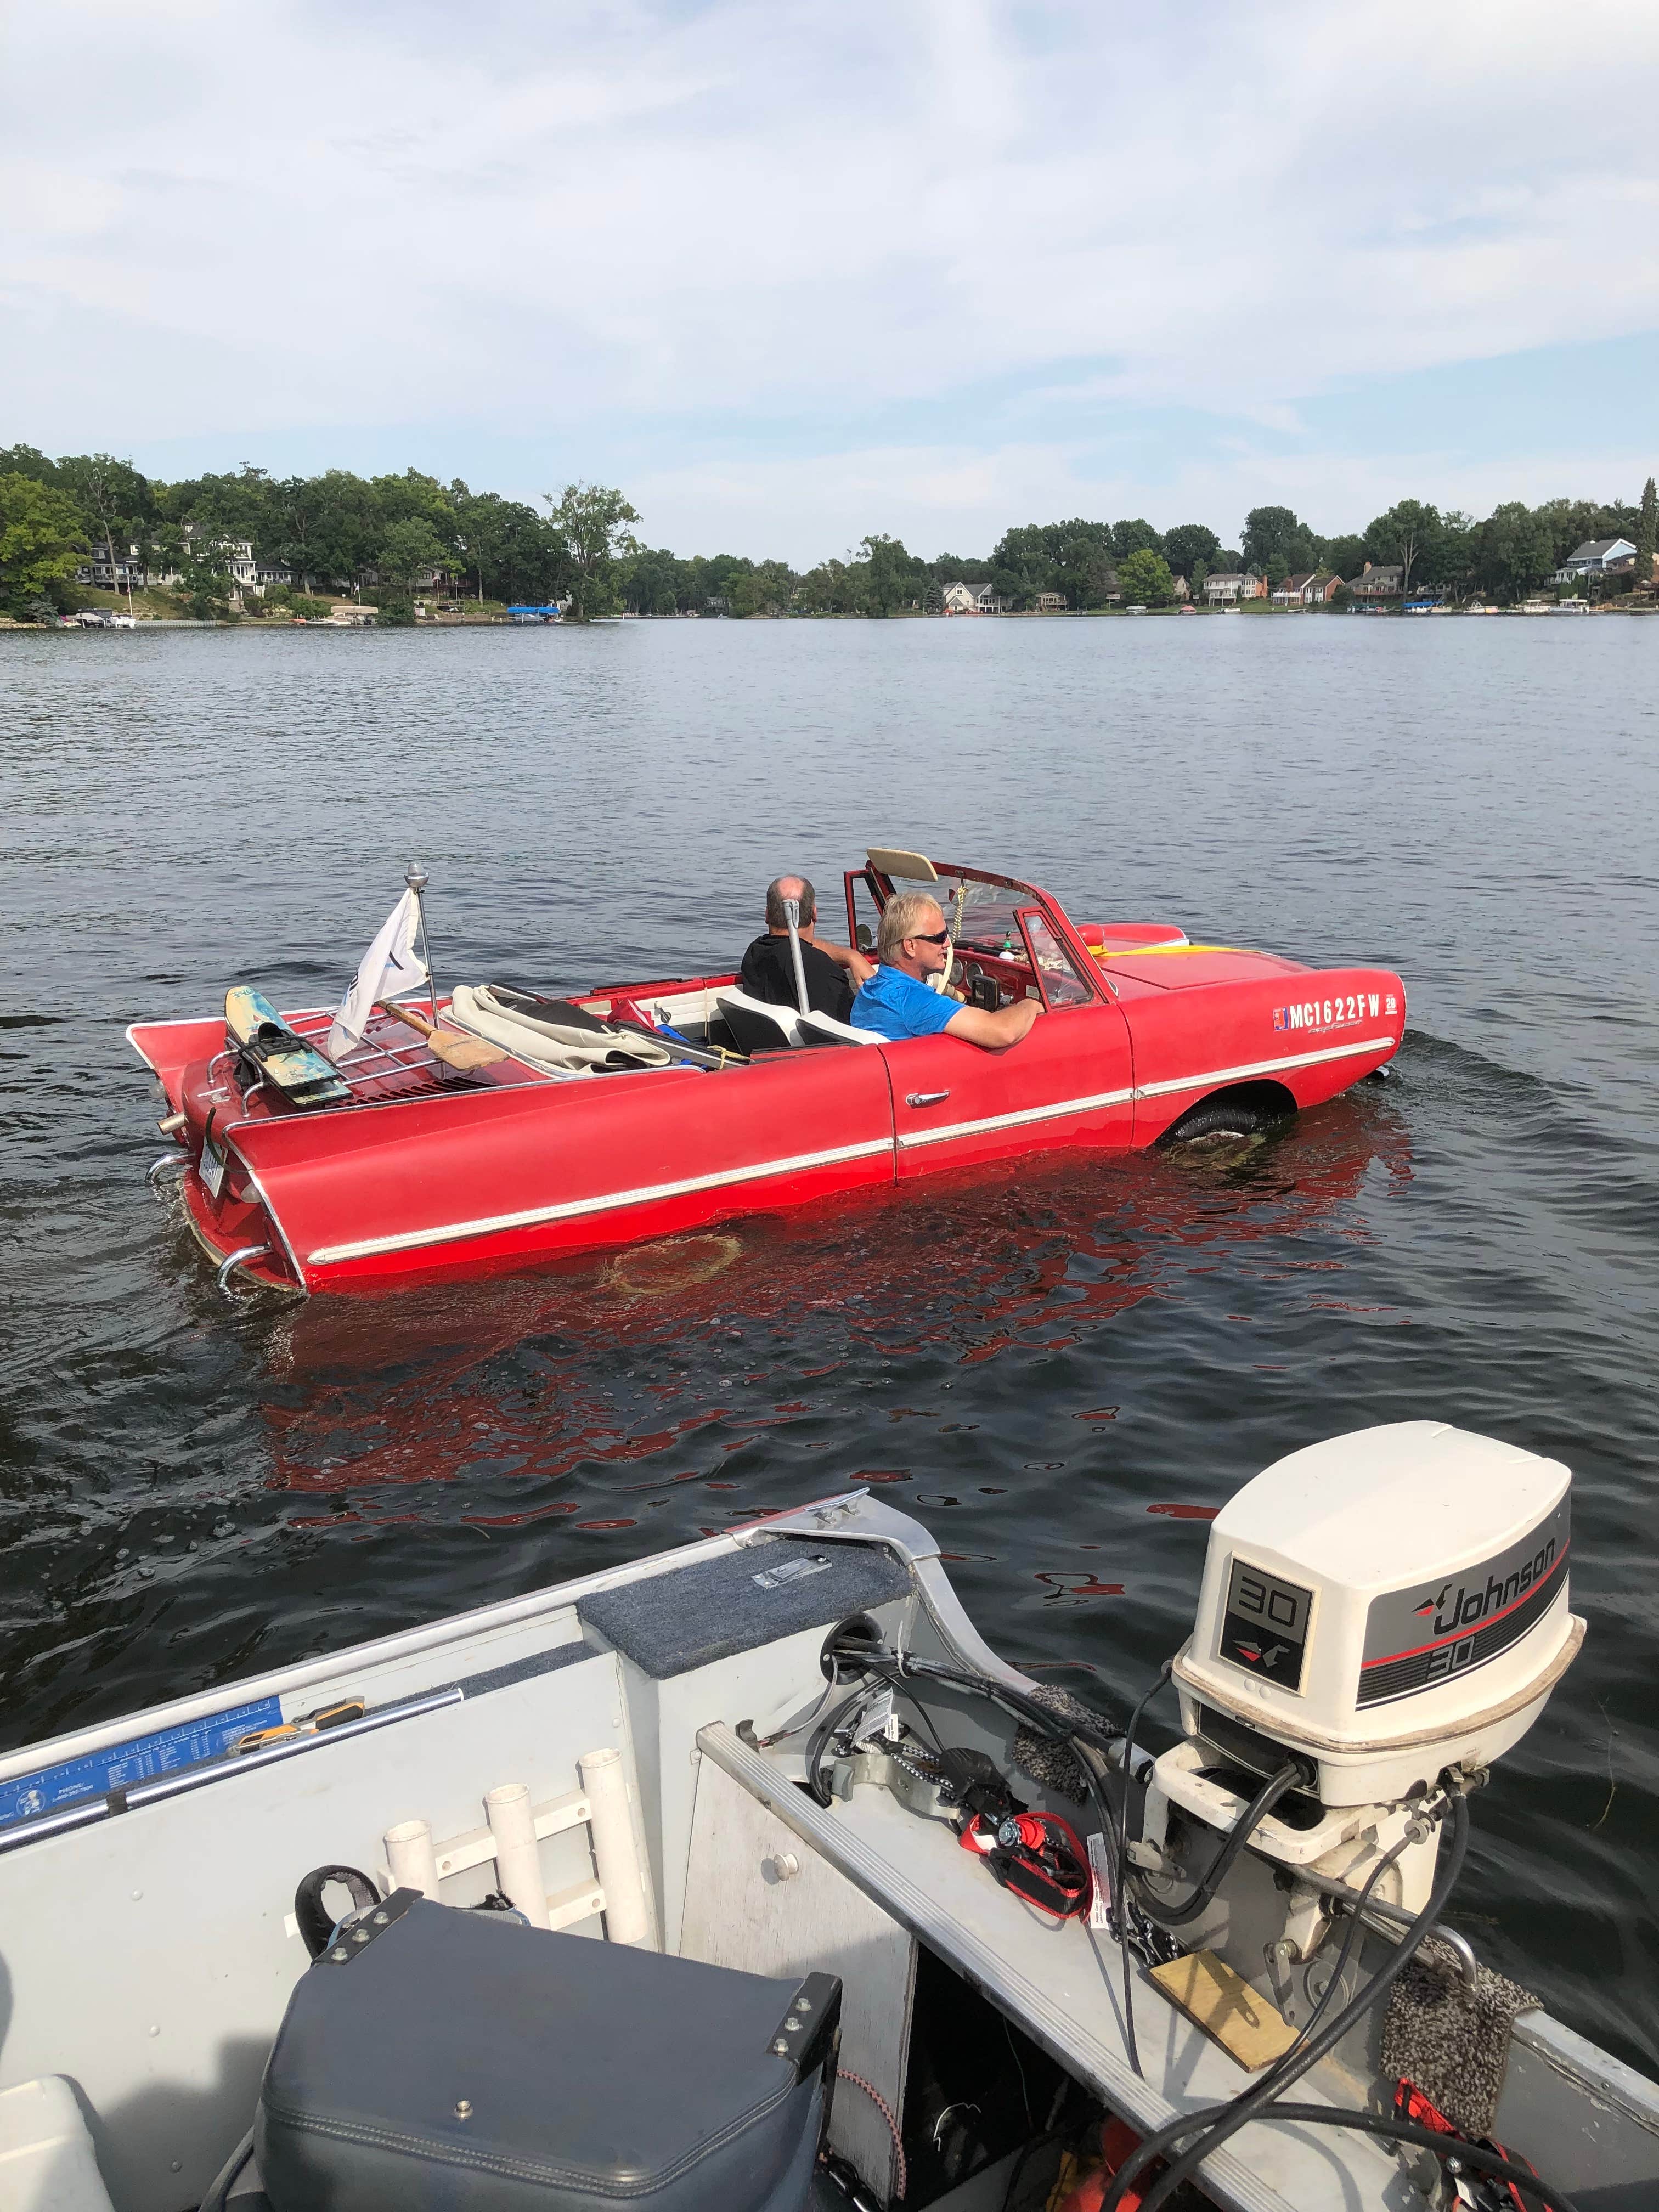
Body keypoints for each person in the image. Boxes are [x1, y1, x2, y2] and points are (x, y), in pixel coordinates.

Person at [851, 891, 1042, 1048]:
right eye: (940, 937)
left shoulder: (871, 988)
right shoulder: (913, 1000)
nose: (948, 944)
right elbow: (1003, 1032)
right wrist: (1031, 1004)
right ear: (910, 946)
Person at [740, 876, 874, 1022]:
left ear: (767, 914)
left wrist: (850, 955)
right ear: (815, 913)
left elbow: (795, 945)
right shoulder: (821, 969)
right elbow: (851, 1027)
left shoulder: (755, 952)